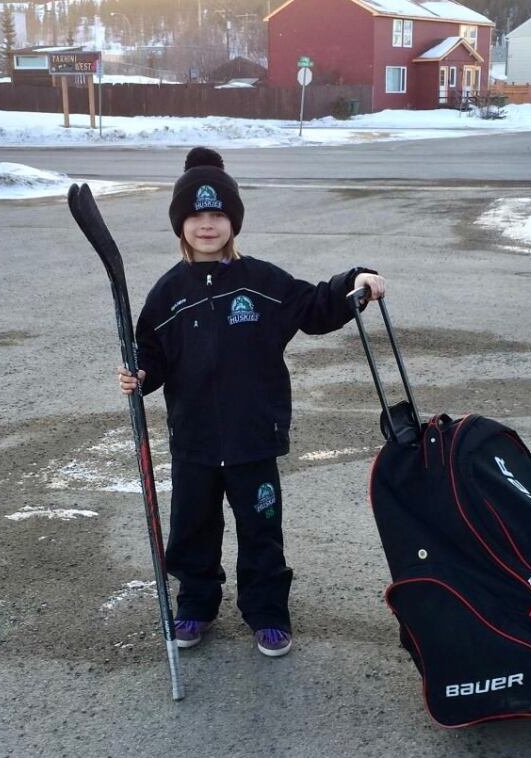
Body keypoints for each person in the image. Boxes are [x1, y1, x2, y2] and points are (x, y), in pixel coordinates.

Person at [118, 147, 385, 657]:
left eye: (218, 214)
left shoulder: (261, 282)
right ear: (181, 224)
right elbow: (150, 352)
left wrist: (355, 281)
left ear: (233, 222)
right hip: (194, 440)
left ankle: (267, 612)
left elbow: (313, 307)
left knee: (261, 531)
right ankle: (195, 605)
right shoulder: (167, 294)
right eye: (196, 215)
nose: (207, 225)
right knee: (192, 530)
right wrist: (140, 374)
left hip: (253, 437)